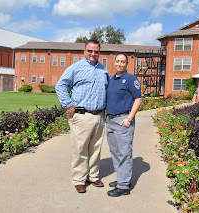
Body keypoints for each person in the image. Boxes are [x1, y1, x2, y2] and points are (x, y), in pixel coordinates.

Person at [55, 39, 110, 193]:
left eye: (96, 51)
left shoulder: (104, 70)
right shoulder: (75, 68)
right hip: (81, 115)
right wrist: (68, 104)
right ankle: (79, 179)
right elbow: (60, 85)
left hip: (99, 115)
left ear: (99, 52)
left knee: (95, 148)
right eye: (90, 51)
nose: (93, 54)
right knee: (80, 149)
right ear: (84, 51)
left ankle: (93, 176)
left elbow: (109, 89)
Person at [105, 53, 142, 197]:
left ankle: (123, 186)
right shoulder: (112, 79)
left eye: (123, 62)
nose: (120, 64)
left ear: (127, 64)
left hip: (123, 120)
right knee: (115, 152)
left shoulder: (130, 79)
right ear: (114, 63)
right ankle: (122, 178)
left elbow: (138, 99)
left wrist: (129, 119)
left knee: (124, 153)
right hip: (110, 120)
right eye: (118, 61)